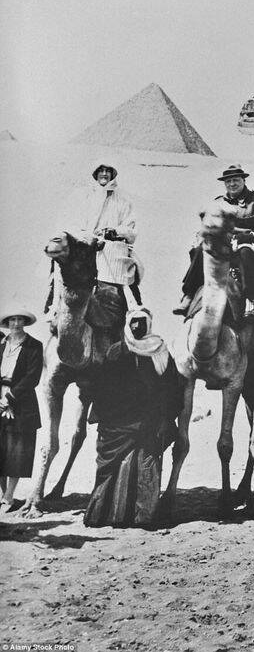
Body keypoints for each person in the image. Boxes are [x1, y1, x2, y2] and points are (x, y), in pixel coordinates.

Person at [84, 307, 182, 528]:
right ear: (127, 325)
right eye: (133, 322)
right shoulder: (116, 351)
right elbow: (103, 389)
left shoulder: (159, 350)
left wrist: (166, 418)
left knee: (145, 467)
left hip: (149, 421)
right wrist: (105, 418)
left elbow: (171, 386)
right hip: (117, 423)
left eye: (142, 321)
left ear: (149, 324)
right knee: (110, 468)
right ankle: (105, 515)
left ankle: (142, 517)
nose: (137, 326)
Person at [174, 164, 254, 320]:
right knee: (199, 250)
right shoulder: (217, 203)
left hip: (250, 247)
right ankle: (189, 294)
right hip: (224, 247)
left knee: (245, 253)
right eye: (228, 181)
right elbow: (206, 227)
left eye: (236, 180)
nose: (232, 184)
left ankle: (250, 298)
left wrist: (250, 237)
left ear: (243, 180)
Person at [47, 160, 141, 317]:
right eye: (101, 170)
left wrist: (114, 231)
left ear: (112, 174)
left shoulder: (123, 200)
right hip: (83, 245)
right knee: (61, 266)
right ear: (95, 173)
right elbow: (69, 222)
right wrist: (84, 236)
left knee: (127, 271)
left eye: (108, 170)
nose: (104, 174)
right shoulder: (81, 196)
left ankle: (133, 309)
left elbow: (130, 229)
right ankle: (54, 306)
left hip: (109, 247)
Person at [0, 308, 42, 512]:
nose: (16, 323)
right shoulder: (1, 344)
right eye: (12, 320)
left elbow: (32, 377)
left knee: (16, 452)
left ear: (25, 322)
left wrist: (9, 397)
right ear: (7, 322)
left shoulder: (34, 346)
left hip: (21, 403)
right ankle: (3, 494)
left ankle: (9, 497)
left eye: (19, 320)